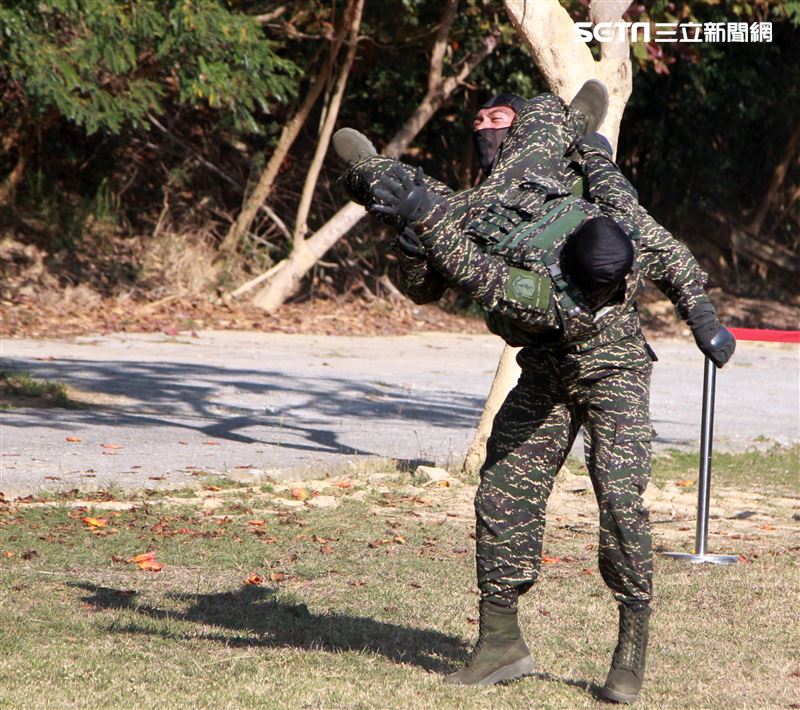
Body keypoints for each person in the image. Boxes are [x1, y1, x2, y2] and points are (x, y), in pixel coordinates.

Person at [332, 84, 735, 703]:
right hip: (547, 370)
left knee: (621, 502)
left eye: (500, 119)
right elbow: (435, 280)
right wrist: (416, 235)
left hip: (615, 370)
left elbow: (671, 257)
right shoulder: (523, 229)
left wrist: (704, 319)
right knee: (502, 493)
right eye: (485, 118)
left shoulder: (586, 257)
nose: (487, 126)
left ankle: (631, 647)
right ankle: (501, 645)